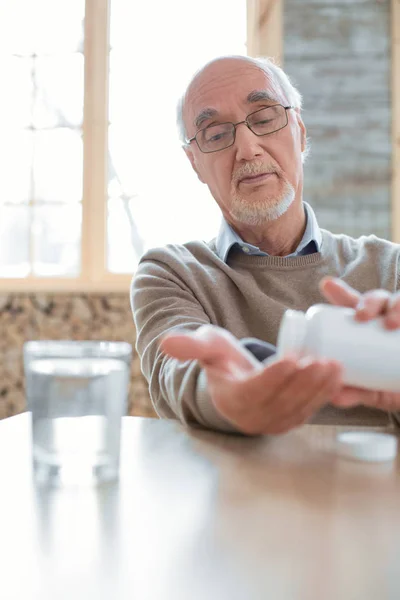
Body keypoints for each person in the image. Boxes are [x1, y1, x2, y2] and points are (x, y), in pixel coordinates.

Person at [130, 55, 400, 435]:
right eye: (217, 134)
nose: (247, 148)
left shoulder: (390, 269)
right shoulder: (173, 272)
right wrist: (229, 396)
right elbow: (178, 371)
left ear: (300, 131)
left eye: (264, 118)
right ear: (194, 163)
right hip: (236, 494)